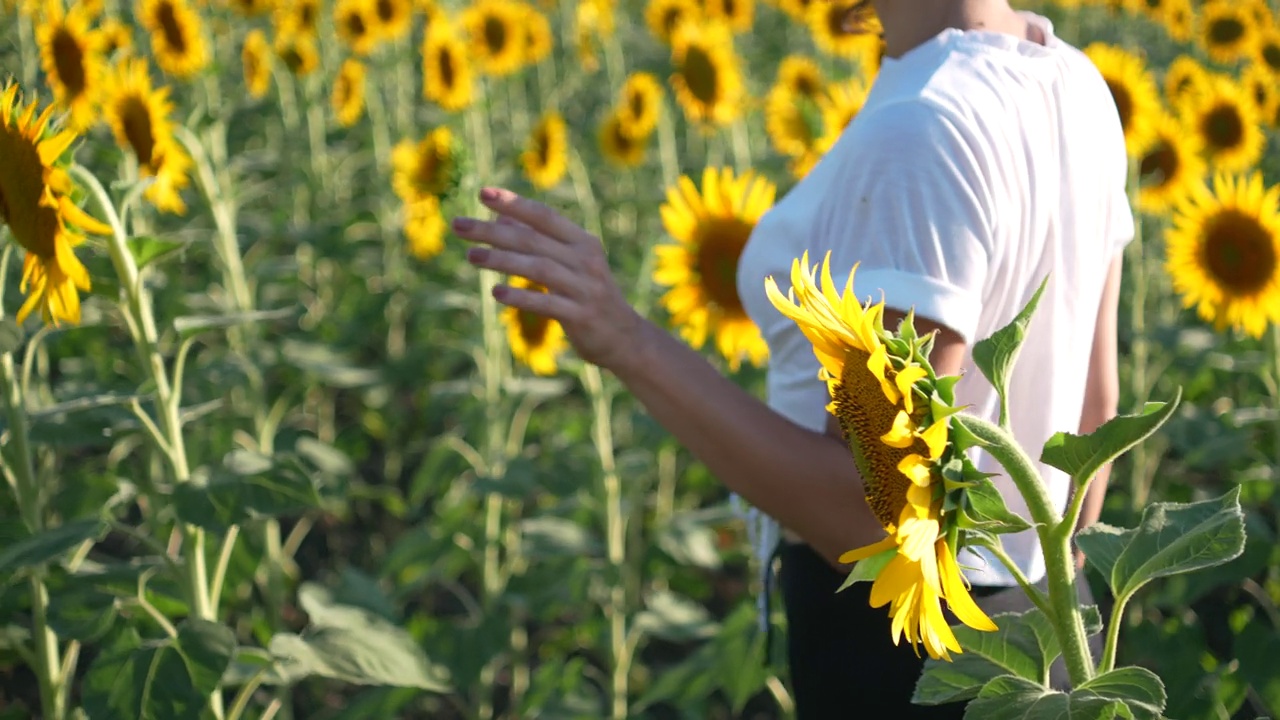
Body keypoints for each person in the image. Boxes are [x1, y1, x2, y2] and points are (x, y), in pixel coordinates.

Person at [449, 0, 1132, 715]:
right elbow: (1096, 410)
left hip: (910, 657)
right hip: (1047, 621)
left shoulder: (924, 125)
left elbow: (876, 512)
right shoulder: (1074, 79)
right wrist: (1047, 604)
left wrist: (628, 341)